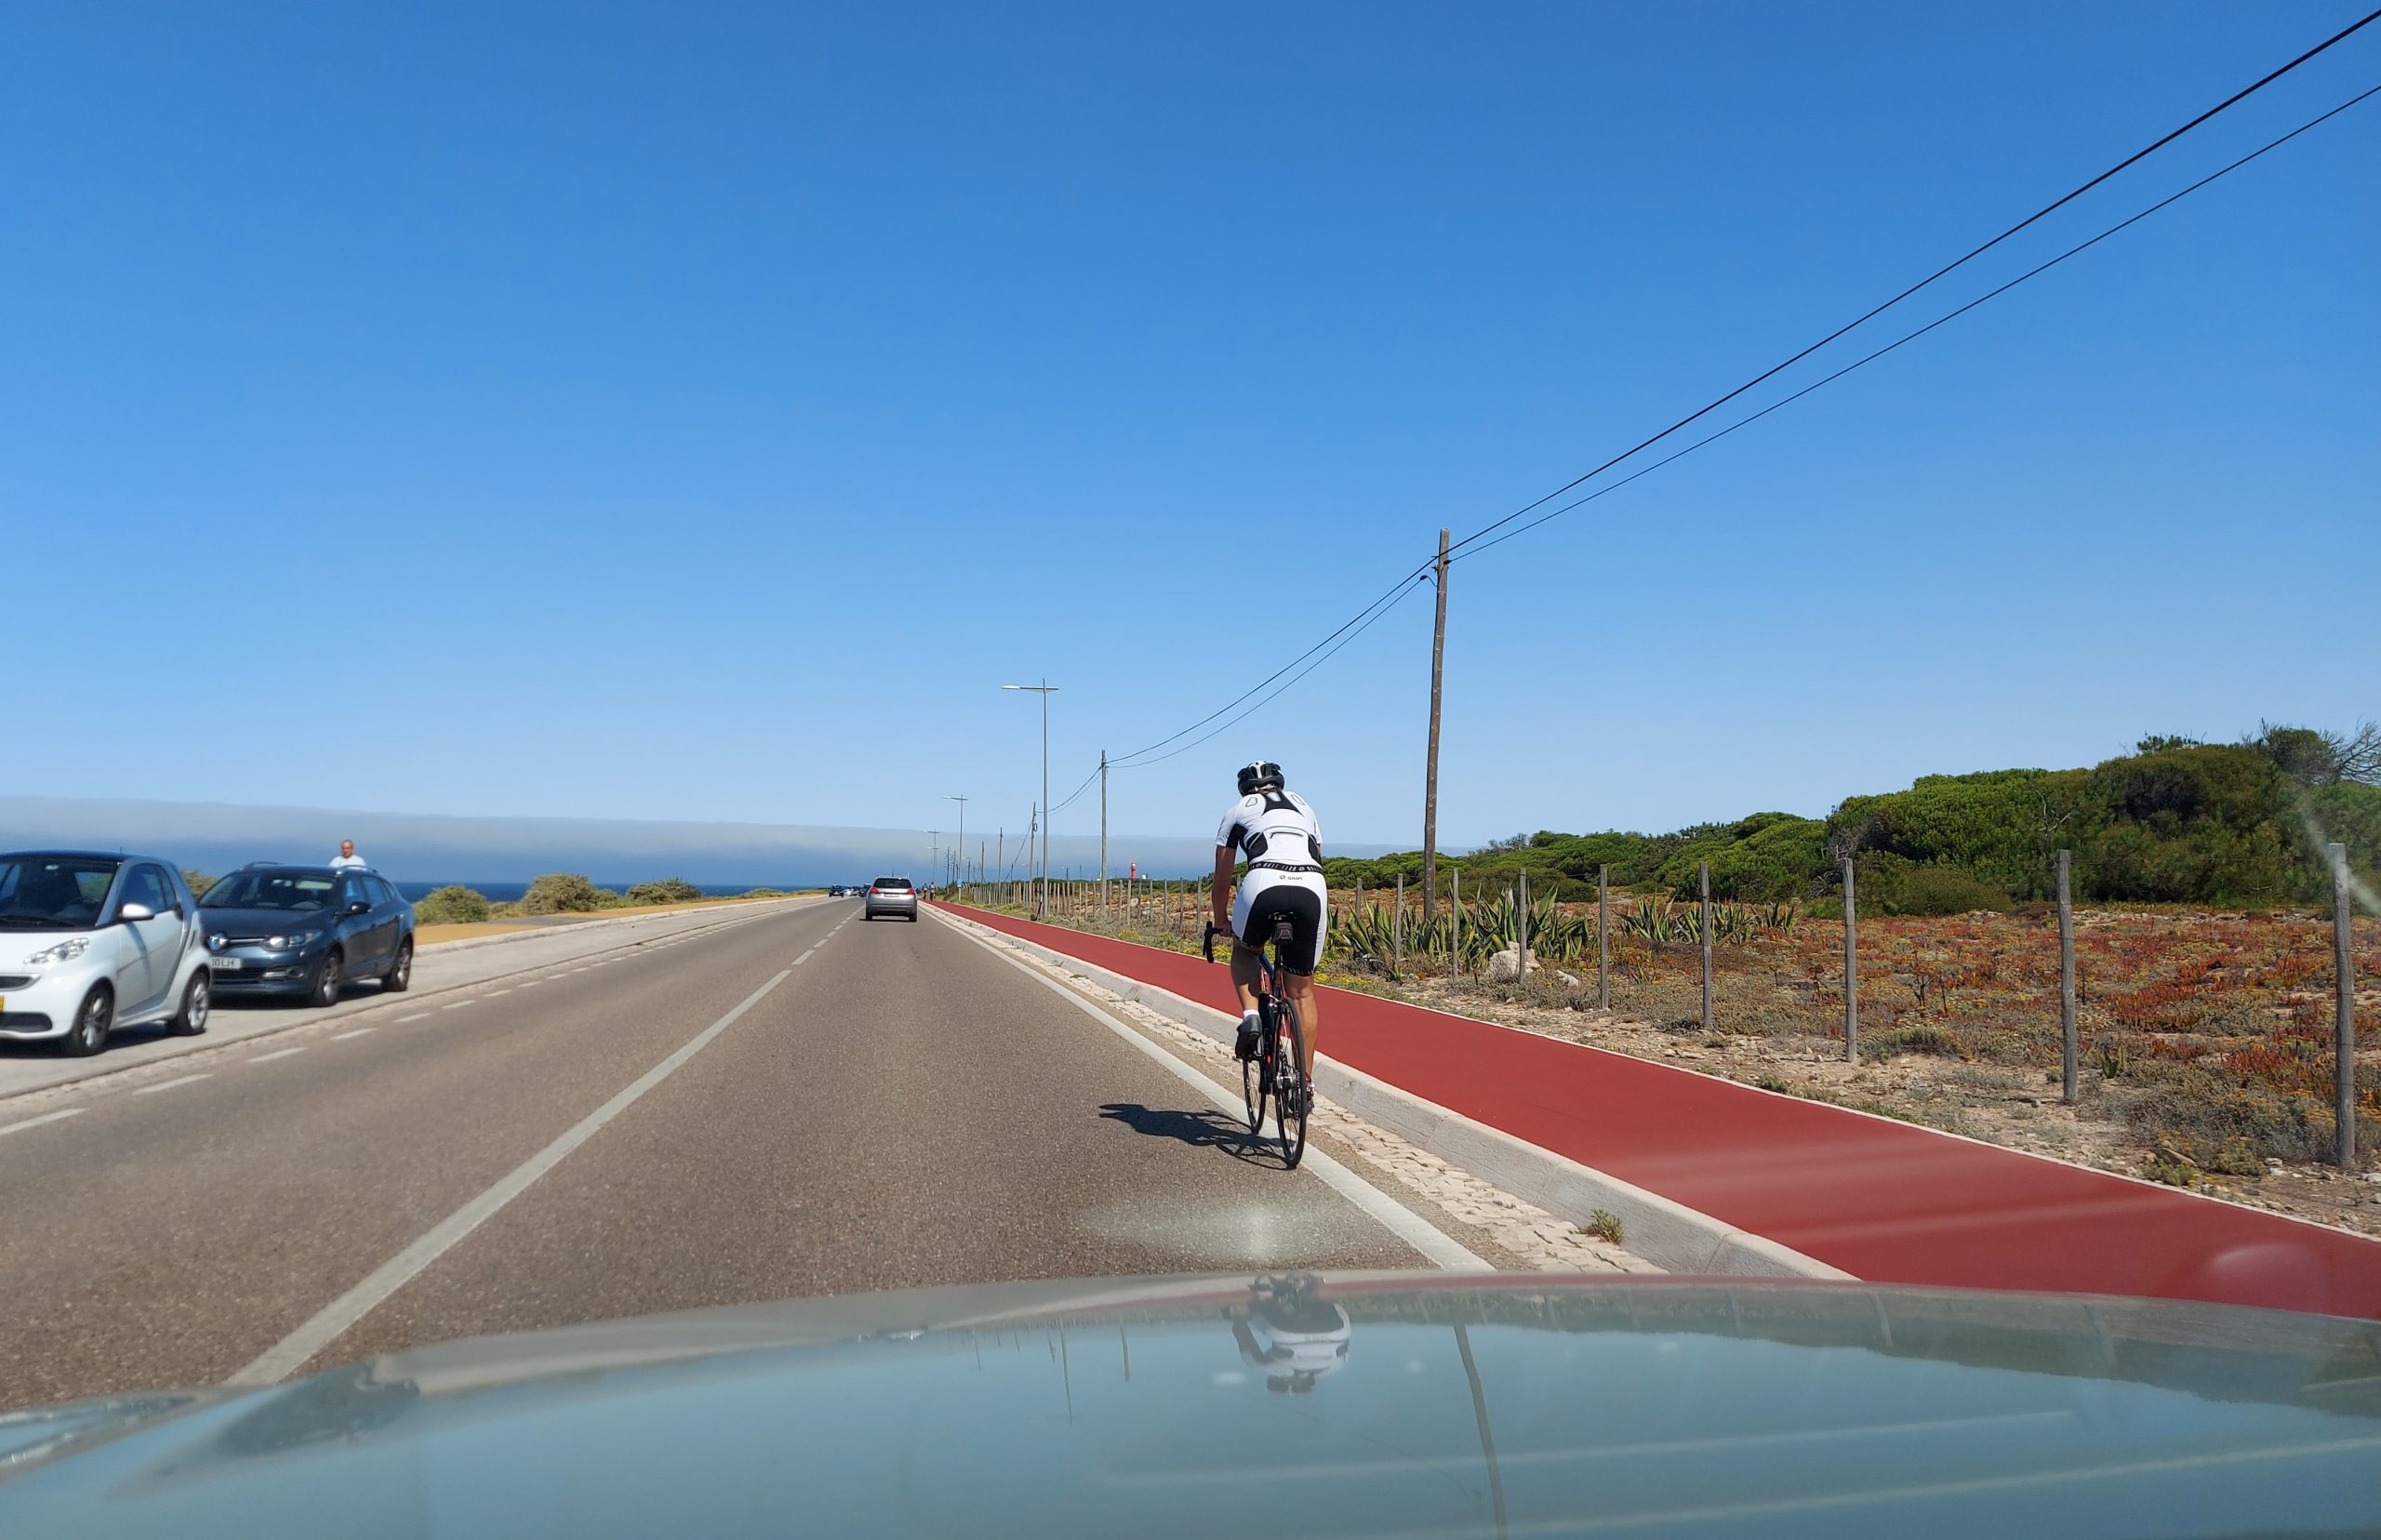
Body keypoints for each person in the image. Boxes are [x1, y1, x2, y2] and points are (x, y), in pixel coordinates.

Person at [1210, 760, 1326, 1090]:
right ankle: (1303, 1086)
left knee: (1246, 952)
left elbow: (1222, 878)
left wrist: (1221, 920)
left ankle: (1251, 1017)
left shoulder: (1237, 810)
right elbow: (1317, 856)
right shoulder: (1305, 806)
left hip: (1263, 879)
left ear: (1245, 789)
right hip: (1312, 887)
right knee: (1302, 992)